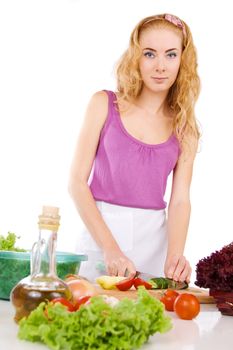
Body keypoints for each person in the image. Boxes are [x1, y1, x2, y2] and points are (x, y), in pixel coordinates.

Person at [69, 13, 201, 283]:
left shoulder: (185, 128)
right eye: (150, 54)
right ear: (135, 58)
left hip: (154, 246)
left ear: (183, 61)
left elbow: (179, 200)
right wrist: (110, 249)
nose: (160, 66)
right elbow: (76, 183)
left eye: (171, 55)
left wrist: (175, 256)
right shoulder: (103, 104)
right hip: (100, 242)